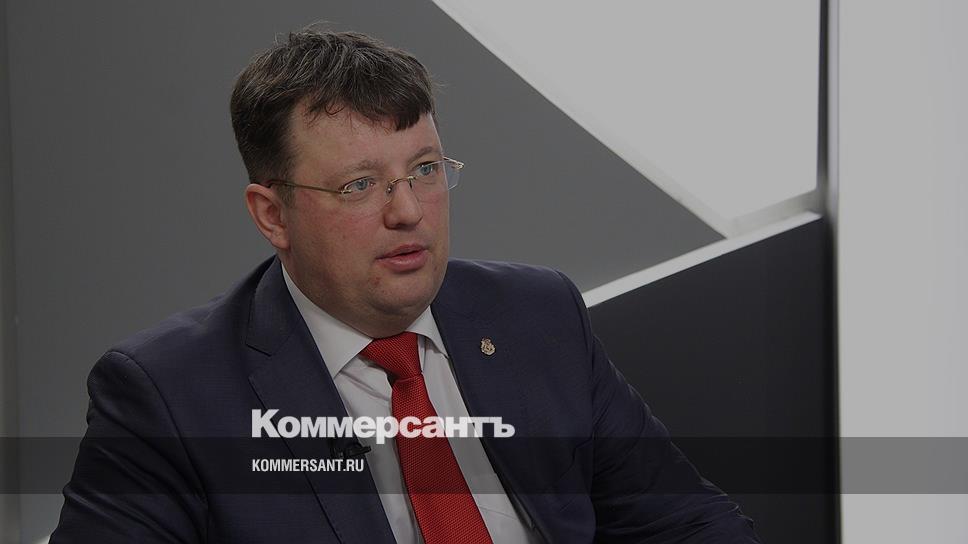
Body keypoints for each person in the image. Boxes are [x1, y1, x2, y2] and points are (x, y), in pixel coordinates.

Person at [50, 28, 759, 543]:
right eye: (360, 185)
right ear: (273, 215)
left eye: (424, 170)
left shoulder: (536, 315)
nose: (409, 211)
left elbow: (685, 521)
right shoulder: (169, 397)